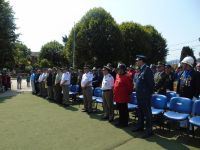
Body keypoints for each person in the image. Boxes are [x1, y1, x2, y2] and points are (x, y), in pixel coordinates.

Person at [132, 55, 154, 138]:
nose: (136, 62)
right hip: (139, 95)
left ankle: (149, 131)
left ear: (142, 61)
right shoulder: (141, 70)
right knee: (140, 112)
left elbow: (151, 84)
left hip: (145, 96)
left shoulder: (147, 69)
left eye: (137, 60)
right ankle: (140, 126)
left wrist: (147, 94)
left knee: (147, 114)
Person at [114, 63, 133, 128]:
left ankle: (124, 123)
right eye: (118, 69)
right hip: (117, 97)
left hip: (123, 97)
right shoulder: (117, 75)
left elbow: (130, 87)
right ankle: (120, 121)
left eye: (120, 69)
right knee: (120, 110)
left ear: (123, 70)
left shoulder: (127, 76)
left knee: (124, 110)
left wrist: (127, 94)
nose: (119, 70)